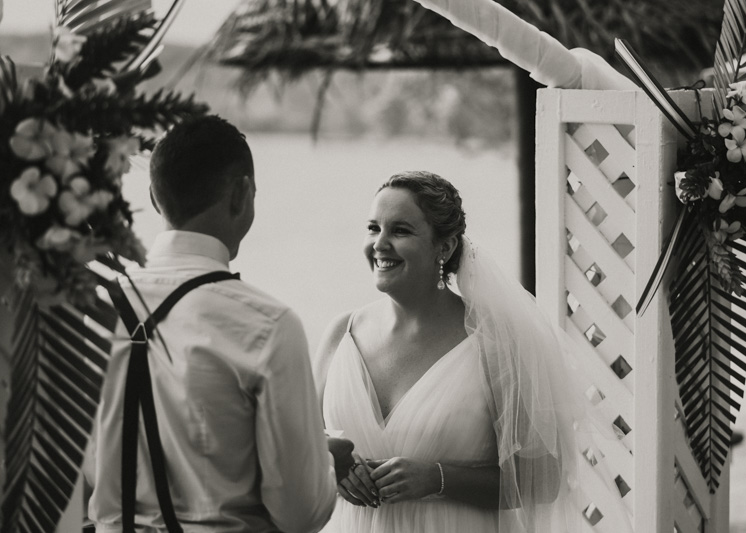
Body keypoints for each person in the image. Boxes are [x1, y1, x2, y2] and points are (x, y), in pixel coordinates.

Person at [84, 115, 354, 533]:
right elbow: (299, 513)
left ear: (155, 199)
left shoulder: (94, 307)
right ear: (241, 193)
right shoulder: (268, 325)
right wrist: (327, 462)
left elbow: (81, 469)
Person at [314, 171, 603, 532]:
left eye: (400, 230)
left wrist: (437, 479)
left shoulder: (494, 344)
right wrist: (336, 471)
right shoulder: (341, 335)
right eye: (374, 228)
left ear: (445, 247)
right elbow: (300, 443)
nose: (380, 244)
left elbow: (544, 479)